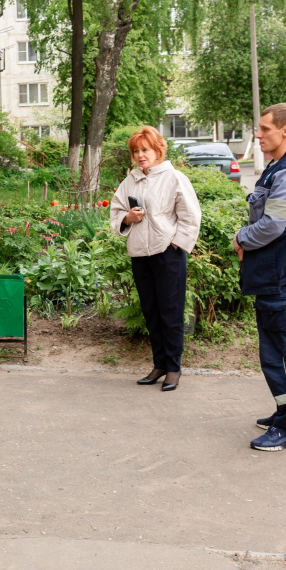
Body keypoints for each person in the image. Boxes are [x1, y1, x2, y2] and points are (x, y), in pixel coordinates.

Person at [233, 104, 286, 452]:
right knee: (273, 354)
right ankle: (285, 411)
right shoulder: (279, 168)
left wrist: (241, 237)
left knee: (284, 353)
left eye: (265, 128)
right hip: (276, 276)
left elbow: (272, 225)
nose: (259, 134)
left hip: (281, 278)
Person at [110, 126, 201, 392]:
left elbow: (191, 217)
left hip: (168, 255)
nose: (140, 155)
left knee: (170, 313)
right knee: (151, 312)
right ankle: (159, 364)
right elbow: (116, 212)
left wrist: (176, 245)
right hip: (140, 254)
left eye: (145, 150)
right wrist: (128, 218)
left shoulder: (174, 178)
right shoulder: (131, 181)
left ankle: (174, 368)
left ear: (158, 150)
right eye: (136, 151)